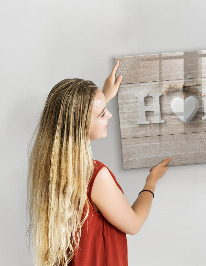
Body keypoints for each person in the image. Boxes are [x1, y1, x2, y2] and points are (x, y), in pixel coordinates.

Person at [27, 62, 171, 266]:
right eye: (102, 113)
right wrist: (151, 181)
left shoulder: (50, 165)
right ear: (81, 124)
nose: (109, 115)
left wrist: (104, 96)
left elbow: (76, 118)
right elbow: (134, 224)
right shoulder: (95, 176)